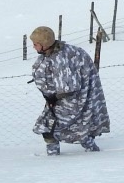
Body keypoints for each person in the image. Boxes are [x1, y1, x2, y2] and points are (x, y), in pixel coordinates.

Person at [29, 25, 110, 155]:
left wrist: (53, 97)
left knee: (49, 128)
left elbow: (68, 87)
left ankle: (53, 157)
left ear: (45, 44)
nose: (34, 47)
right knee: (77, 126)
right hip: (67, 99)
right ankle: (90, 148)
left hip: (70, 101)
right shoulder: (54, 52)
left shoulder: (61, 59)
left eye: (36, 44)